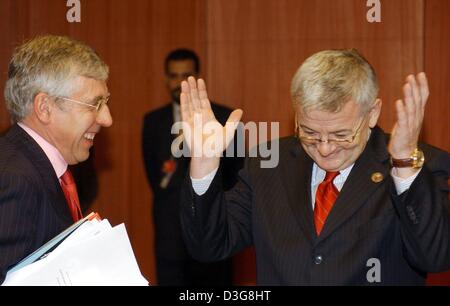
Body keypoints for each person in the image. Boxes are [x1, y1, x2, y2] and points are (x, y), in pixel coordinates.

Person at [179, 49, 450, 285]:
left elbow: (434, 257)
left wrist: (403, 163)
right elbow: (209, 246)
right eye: (309, 132)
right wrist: (205, 162)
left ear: (373, 113)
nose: (324, 148)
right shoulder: (268, 162)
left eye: (341, 134)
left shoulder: (417, 165)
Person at [0, 35, 112, 283]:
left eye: (106, 103)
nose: (106, 119)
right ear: (44, 108)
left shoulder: (39, 167)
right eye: (94, 104)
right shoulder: (15, 179)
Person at [142, 48, 243, 285]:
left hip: (213, 228)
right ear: (166, 79)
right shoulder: (152, 121)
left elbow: (235, 175)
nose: (179, 82)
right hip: (169, 233)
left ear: (197, 76)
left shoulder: (224, 118)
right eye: (173, 76)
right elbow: (154, 175)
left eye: (185, 75)